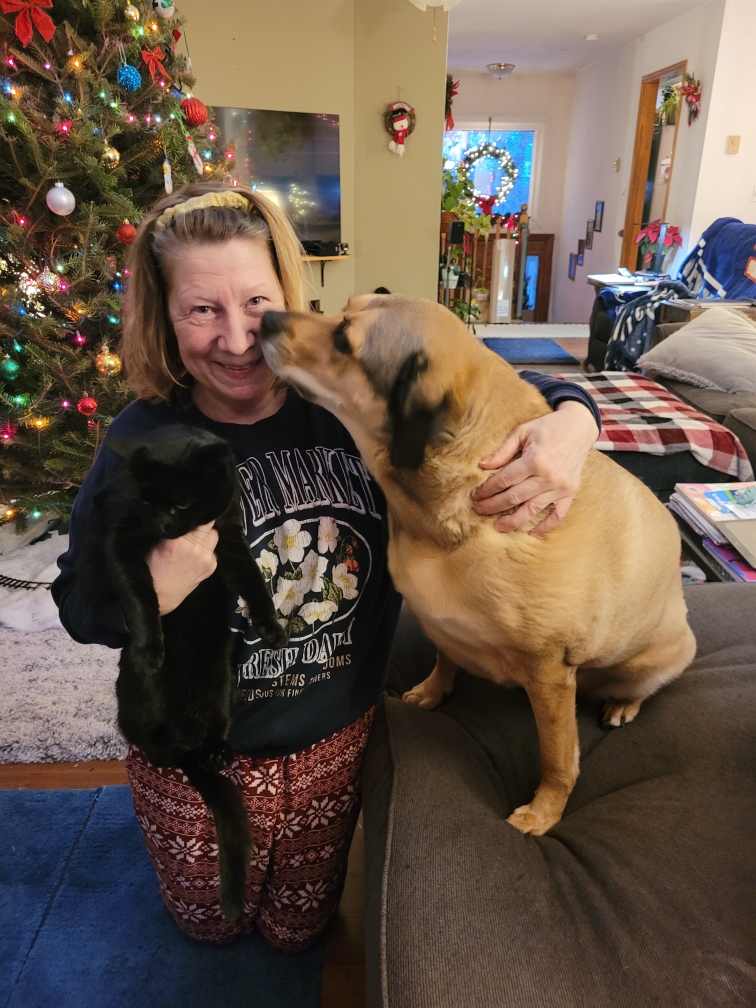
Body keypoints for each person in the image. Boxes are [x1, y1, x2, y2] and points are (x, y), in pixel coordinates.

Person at [52, 182, 601, 951]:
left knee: (297, 933)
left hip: (332, 743)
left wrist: (576, 420)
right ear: (164, 318)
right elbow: (77, 603)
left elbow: (484, 387)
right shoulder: (139, 443)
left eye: (255, 302)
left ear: (287, 295)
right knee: (208, 927)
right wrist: (151, 588)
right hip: (192, 755)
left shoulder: (352, 407)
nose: (240, 338)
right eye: (202, 310)